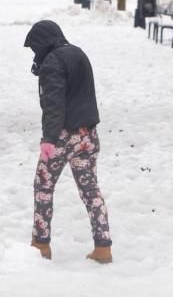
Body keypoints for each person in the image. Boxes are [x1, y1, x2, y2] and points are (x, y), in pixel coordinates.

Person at [23, 20, 112, 263]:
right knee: (91, 191)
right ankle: (103, 247)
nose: (34, 52)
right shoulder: (78, 53)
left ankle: (40, 245)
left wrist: (49, 139)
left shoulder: (52, 62)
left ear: (43, 42)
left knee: (43, 186)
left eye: (35, 47)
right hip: (88, 135)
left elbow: (54, 104)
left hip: (62, 137)